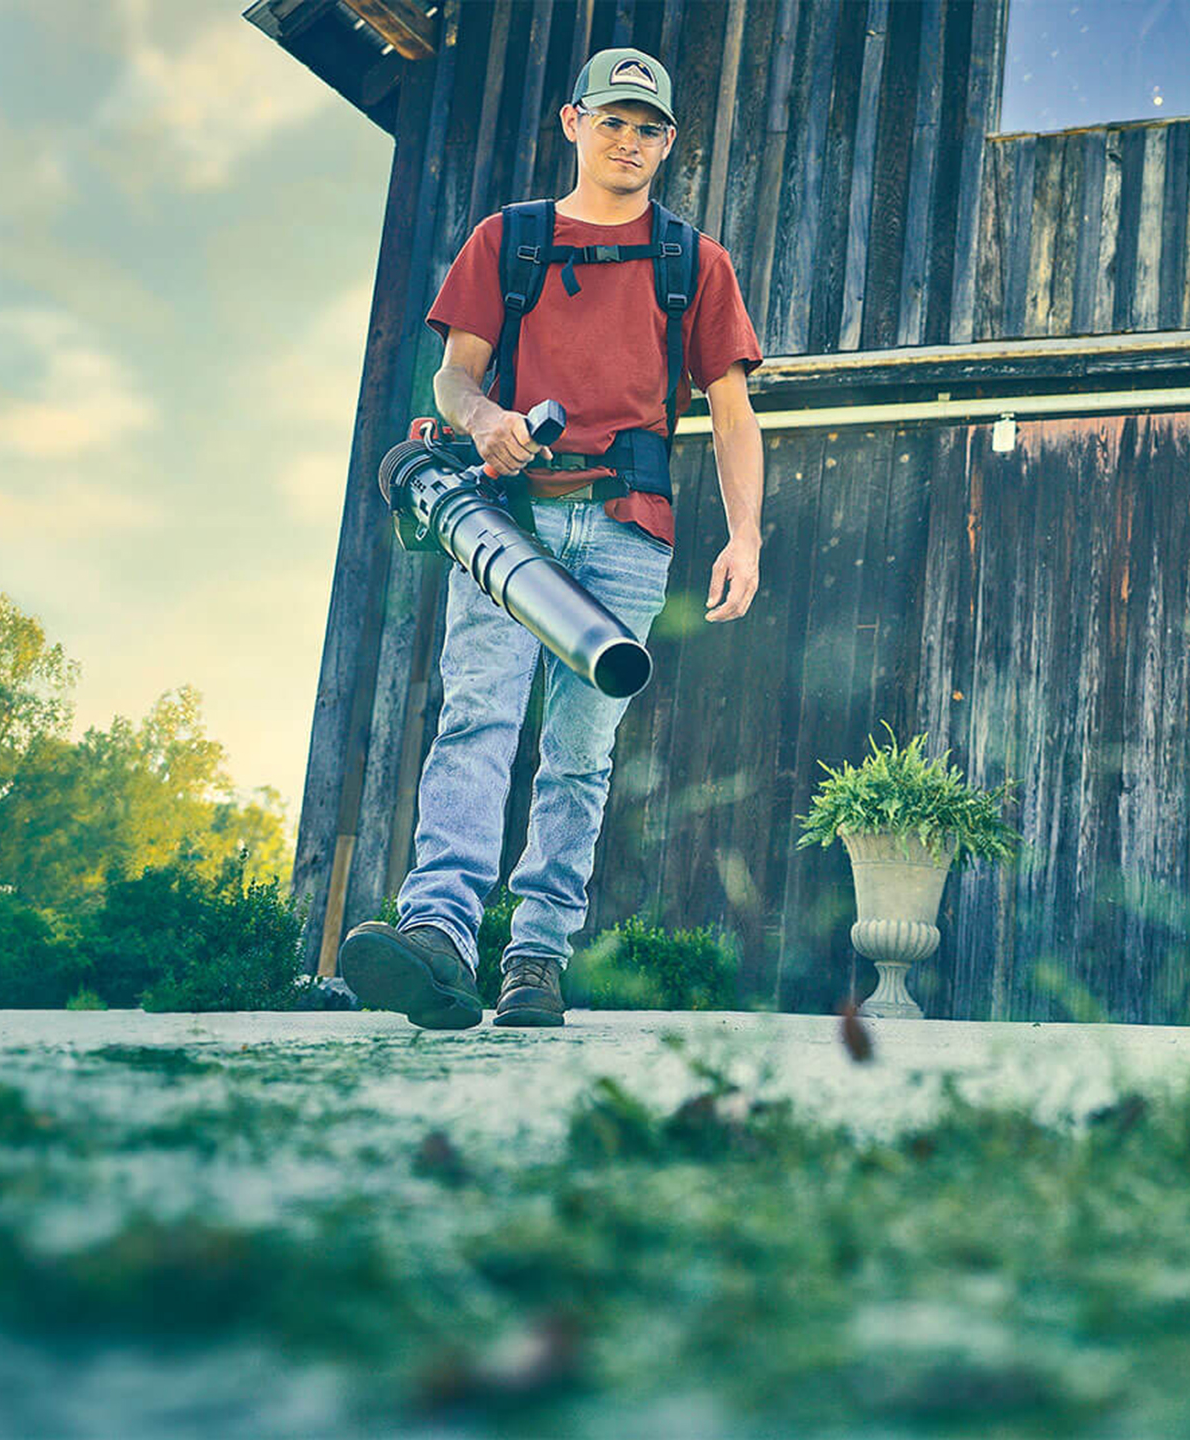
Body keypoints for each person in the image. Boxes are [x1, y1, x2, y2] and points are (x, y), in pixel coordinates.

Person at [340, 46, 764, 1030]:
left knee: (580, 750)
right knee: (477, 717)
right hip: (508, 519)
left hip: (628, 528)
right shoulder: (509, 241)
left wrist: (745, 535)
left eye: (648, 128)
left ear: (669, 143)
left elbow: (732, 411)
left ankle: (535, 957)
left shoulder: (695, 262)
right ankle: (438, 936)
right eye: (612, 120)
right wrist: (485, 419)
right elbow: (455, 378)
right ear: (574, 123)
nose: (629, 141)